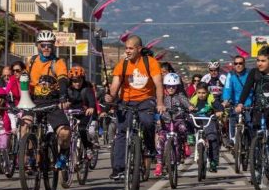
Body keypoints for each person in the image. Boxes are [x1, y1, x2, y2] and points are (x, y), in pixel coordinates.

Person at [105, 35, 165, 181]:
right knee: (122, 132)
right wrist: (110, 96)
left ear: (139, 49)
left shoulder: (150, 62)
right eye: (126, 48)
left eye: (131, 48)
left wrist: (160, 103)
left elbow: (158, 84)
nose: (127, 51)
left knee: (147, 122)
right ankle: (118, 168)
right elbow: (115, 85)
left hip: (146, 100)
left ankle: (150, 147)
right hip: (126, 102)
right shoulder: (122, 64)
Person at [155, 72, 193, 177]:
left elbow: (186, 102)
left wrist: (189, 106)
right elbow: (156, 105)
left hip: (177, 121)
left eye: (173, 86)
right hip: (165, 123)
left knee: (183, 128)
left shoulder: (180, 96)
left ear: (177, 87)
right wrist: (157, 114)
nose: (171, 88)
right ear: (164, 86)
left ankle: (185, 144)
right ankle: (159, 164)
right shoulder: (161, 97)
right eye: (168, 86)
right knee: (160, 141)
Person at [63, 65, 97, 162]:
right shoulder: (68, 89)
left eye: (79, 80)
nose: (77, 83)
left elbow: (92, 101)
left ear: (83, 79)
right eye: (74, 81)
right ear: (71, 81)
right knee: (65, 132)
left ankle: (88, 147)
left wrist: (91, 107)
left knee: (82, 129)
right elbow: (63, 100)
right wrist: (64, 104)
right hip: (71, 114)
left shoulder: (87, 89)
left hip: (84, 113)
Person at [190, 82, 224, 172]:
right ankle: (190, 136)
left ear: (208, 92)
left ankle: (213, 161)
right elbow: (187, 108)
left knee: (212, 139)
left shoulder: (211, 99)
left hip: (209, 120)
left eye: (204, 93)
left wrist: (219, 111)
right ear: (196, 92)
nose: (201, 95)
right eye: (199, 93)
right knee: (187, 120)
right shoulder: (193, 100)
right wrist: (188, 110)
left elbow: (219, 106)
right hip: (197, 120)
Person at [222, 55, 252, 145]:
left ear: (244, 64)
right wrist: (225, 100)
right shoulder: (231, 75)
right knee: (232, 119)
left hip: (248, 103)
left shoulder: (250, 74)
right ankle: (232, 140)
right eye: (236, 63)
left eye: (240, 63)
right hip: (234, 104)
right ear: (234, 65)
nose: (238, 65)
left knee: (250, 123)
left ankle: (251, 144)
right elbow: (227, 88)